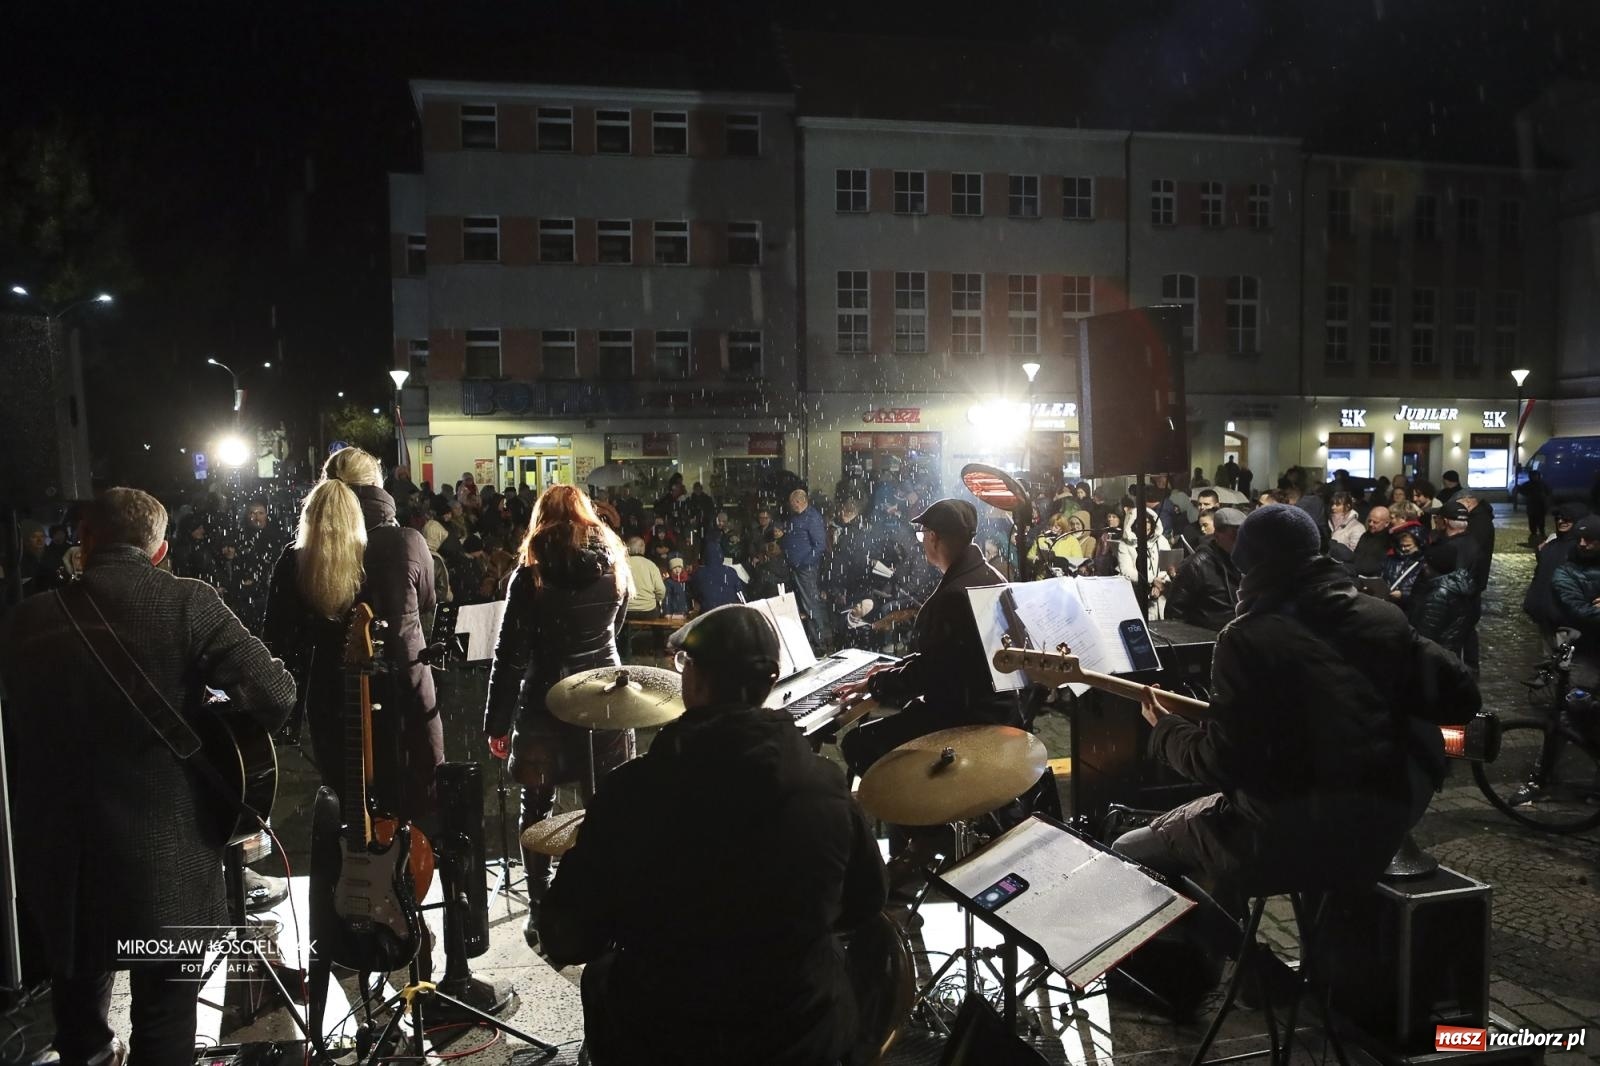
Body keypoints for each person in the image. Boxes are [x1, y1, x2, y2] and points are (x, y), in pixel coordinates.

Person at [0, 488, 296, 1062]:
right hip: (166, 863)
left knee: (79, 1028)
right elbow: (276, 695)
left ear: (84, 543)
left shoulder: (24, 622)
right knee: (164, 1022)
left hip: (64, 868)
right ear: (160, 550)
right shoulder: (187, 602)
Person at [538, 605, 888, 1066]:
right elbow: (866, 902)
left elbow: (568, 938)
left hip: (667, 1037)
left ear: (697, 681)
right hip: (801, 1035)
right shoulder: (827, 786)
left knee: (602, 979)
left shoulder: (632, 794)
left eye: (685, 664)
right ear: (769, 683)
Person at [1113, 504, 1479, 900]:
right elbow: (1460, 697)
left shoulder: (1246, 638)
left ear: (1250, 566)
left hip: (1285, 834)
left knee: (1129, 852)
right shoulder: (1383, 617)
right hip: (1380, 827)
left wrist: (1166, 729)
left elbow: (1224, 763)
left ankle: (1230, 956)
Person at [484, 485, 635, 946]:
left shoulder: (531, 574)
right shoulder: (612, 562)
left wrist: (496, 722)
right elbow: (618, 621)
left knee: (536, 806)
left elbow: (510, 655)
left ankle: (542, 909)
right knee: (605, 807)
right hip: (604, 696)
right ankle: (604, 903)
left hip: (546, 701)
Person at [265, 446, 443, 824]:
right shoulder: (408, 542)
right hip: (405, 695)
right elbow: (428, 601)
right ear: (377, 486)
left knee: (351, 809)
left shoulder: (296, 555)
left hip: (334, 700)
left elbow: (278, 639)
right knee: (411, 808)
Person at [836, 499, 1015, 780]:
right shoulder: (990, 576)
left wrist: (876, 684)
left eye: (922, 535)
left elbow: (928, 674)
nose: (921, 542)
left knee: (858, 744)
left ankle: (918, 819)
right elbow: (945, 658)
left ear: (933, 538)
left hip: (966, 718)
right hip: (996, 708)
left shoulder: (953, 596)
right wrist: (886, 673)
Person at [1165, 507, 1244, 630]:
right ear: (1217, 536)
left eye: (1242, 535)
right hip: (1206, 641)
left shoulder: (1246, 562)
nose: (1239, 541)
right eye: (1234, 536)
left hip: (1237, 639)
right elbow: (1174, 614)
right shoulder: (1196, 565)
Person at [1523, 503, 1588, 654]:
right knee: (1550, 659)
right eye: (1558, 518)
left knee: (1565, 661)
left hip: (1565, 619)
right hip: (1545, 614)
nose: (1561, 521)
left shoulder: (1580, 549)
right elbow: (1540, 576)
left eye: (1567, 519)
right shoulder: (1551, 546)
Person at [778, 488, 827, 648]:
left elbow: (820, 545)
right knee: (803, 606)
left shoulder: (812, 518)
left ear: (799, 502)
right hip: (796, 568)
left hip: (806, 570)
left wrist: (804, 562)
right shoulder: (797, 517)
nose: (790, 506)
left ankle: (819, 642)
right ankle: (809, 641)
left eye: (792, 503)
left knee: (811, 604)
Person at [1118, 509, 1172, 620]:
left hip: (1163, 594)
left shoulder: (1162, 540)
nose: (1145, 525)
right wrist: (1152, 580)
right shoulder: (1125, 544)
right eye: (1140, 522)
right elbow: (1126, 571)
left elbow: (1168, 565)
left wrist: (1160, 583)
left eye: (1147, 522)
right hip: (1139, 596)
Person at [689, 533, 744, 612]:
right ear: (721, 555)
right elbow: (740, 595)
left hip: (708, 614)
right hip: (730, 614)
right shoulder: (731, 572)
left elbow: (695, 594)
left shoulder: (700, 573)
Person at [623, 536, 666, 618]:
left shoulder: (622, 564)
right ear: (642, 549)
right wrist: (655, 599)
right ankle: (658, 631)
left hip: (626, 611)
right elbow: (661, 590)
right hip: (648, 611)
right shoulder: (650, 565)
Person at [1351, 505, 1392, 577]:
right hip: (1356, 575)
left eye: (1375, 522)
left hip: (1373, 578)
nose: (1370, 524)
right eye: (1369, 521)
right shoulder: (1365, 535)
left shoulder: (1389, 540)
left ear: (1386, 523)